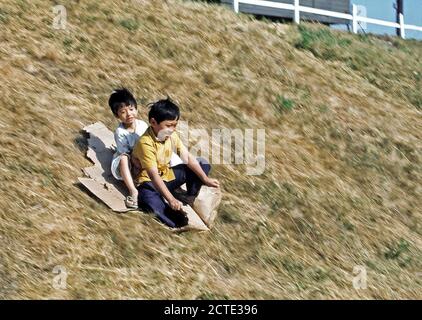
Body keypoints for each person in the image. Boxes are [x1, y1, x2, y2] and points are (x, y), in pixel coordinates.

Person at [133, 97, 220, 228]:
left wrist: (205, 178)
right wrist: (171, 200)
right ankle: (169, 208)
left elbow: (188, 157)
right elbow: (153, 175)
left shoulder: (171, 135)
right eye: (168, 125)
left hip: (167, 176)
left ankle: (189, 196)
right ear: (153, 122)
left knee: (202, 163)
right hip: (149, 184)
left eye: (175, 125)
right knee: (160, 211)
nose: (173, 129)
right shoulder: (145, 143)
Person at [109, 88, 148, 209]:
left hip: (144, 157)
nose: (129, 114)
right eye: (123, 112)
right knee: (124, 158)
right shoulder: (120, 132)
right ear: (117, 115)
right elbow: (124, 152)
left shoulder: (142, 125)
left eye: (131, 109)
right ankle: (133, 191)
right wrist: (135, 162)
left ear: (136, 108)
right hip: (129, 160)